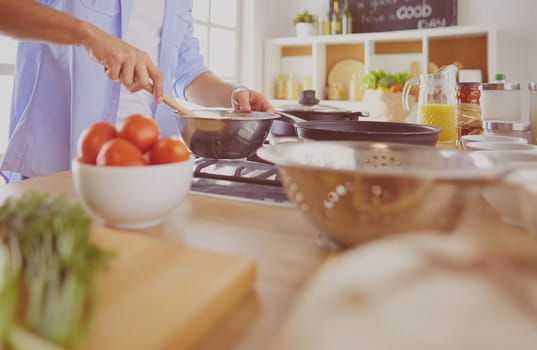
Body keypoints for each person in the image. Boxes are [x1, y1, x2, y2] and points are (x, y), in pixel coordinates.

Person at [0, 0, 273, 182]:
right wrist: (88, 35)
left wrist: (233, 94)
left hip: (144, 172)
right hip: (58, 170)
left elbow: (188, 71)